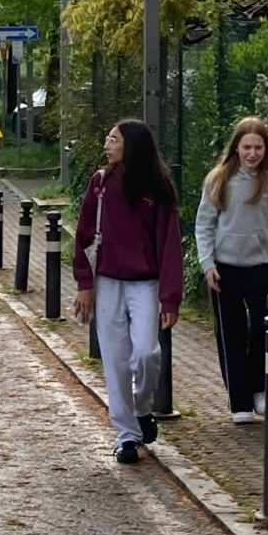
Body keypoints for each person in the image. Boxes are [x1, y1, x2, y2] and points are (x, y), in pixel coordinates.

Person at [72, 119, 183, 465]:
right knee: (116, 361)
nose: (106, 145)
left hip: (146, 284)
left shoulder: (157, 188)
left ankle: (142, 408)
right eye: (108, 138)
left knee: (146, 354)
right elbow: (84, 234)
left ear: (131, 145)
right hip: (107, 283)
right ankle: (126, 435)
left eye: (113, 139)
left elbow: (169, 245)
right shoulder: (100, 184)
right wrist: (85, 284)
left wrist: (170, 296)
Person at [195, 117, 268, 424]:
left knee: (262, 328)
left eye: (258, 148)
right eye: (247, 147)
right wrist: (207, 264)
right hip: (224, 268)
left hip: (259, 266)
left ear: (266, 149)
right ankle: (239, 401)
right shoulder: (218, 179)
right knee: (231, 332)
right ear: (236, 147)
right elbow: (204, 224)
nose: (252, 154)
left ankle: (259, 387)